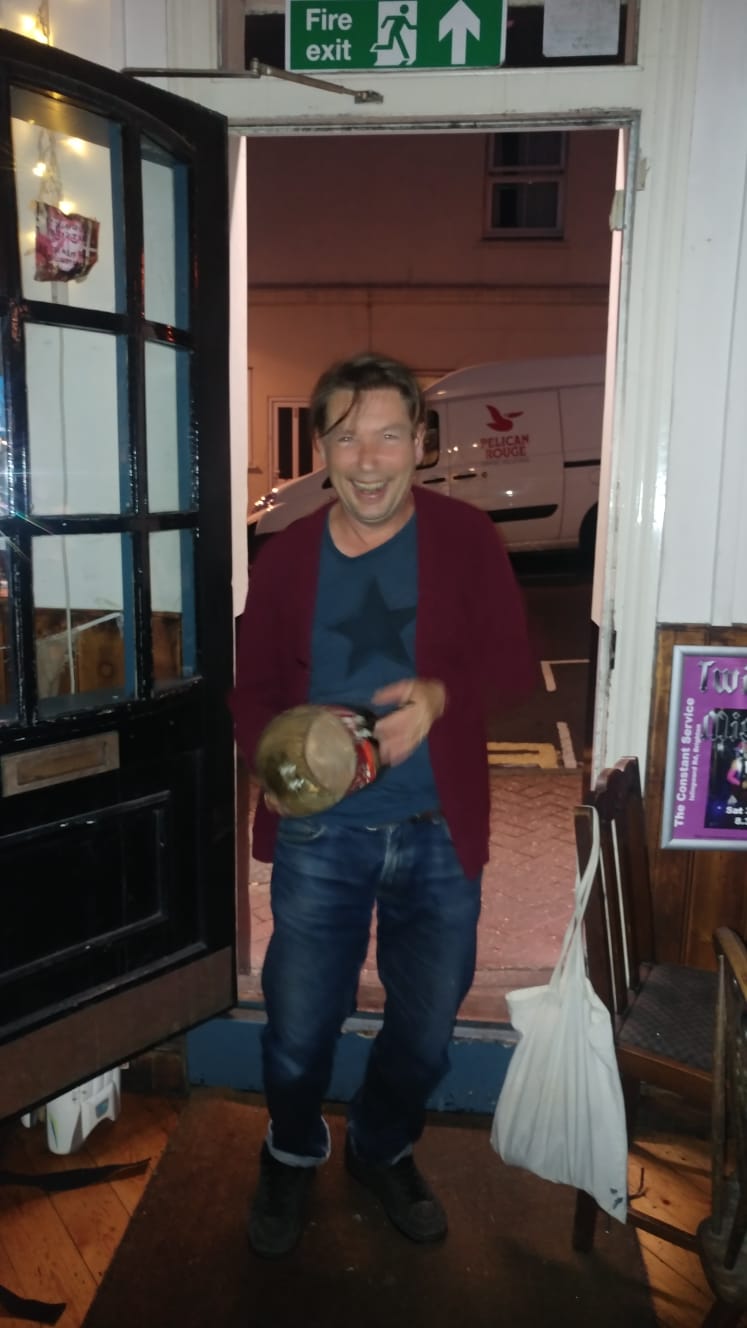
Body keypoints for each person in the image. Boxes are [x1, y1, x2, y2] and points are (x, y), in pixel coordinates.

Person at [230, 351, 537, 1259]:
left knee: (427, 1029)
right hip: (321, 833)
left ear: (420, 444)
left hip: (438, 831)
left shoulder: (466, 539)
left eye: (389, 435)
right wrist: (278, 755)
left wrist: (440, 696)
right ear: (321, 449)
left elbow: (514, 667)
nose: (367, 460)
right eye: (346, 437)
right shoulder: (285, 558)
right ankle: (291, 1149)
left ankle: (381, 1145)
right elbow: (250, 692)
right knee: (296, 1027)